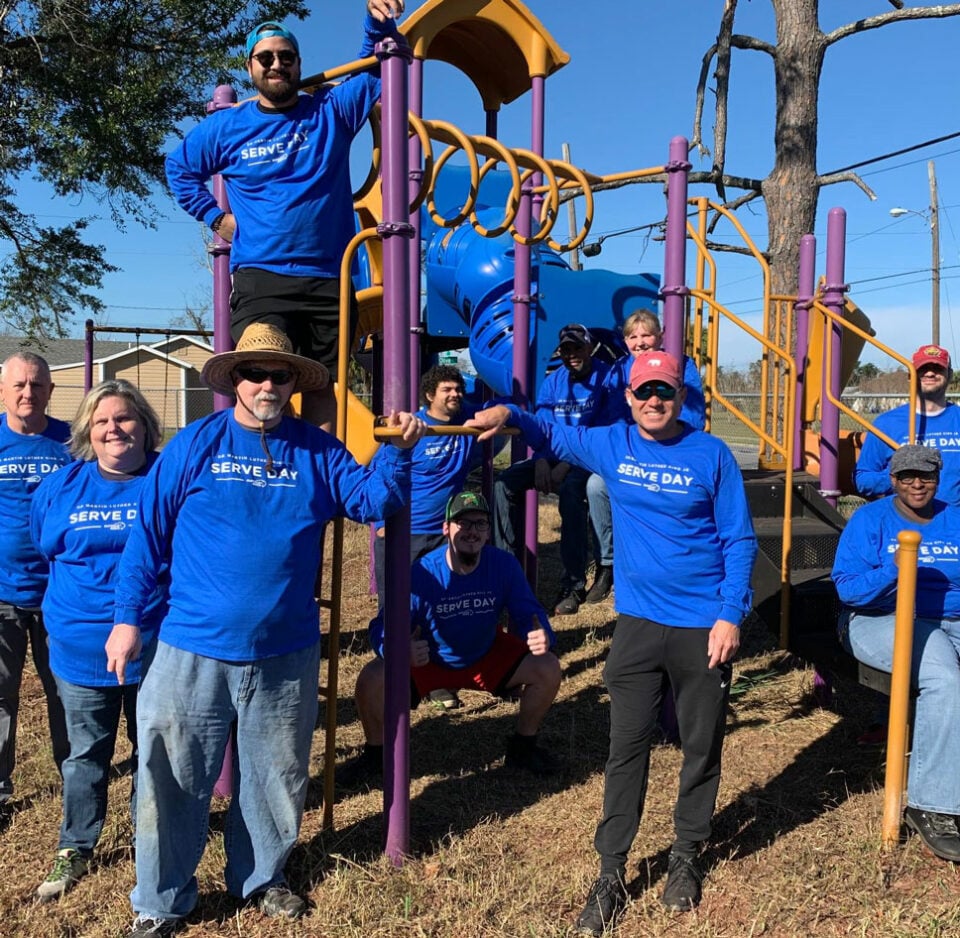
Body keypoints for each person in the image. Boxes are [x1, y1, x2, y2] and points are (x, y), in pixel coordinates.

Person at [107, 324, 425, 937]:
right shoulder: (195, 443)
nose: (267, 385)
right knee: (171, 776)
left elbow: (369, 502)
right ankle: (160, 901)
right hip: (190, 646)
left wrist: (395, 448)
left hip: (286, 650)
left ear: (292, 385)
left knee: (277, 774)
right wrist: (126, 621)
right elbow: (146, 537)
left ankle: (260, 880)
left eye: (279, 375)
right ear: (234, 382)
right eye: (255, 374)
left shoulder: (319, 449)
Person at [467, 350, 757, 930]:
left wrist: (730, 614)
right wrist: (509, 411)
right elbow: (548, 428)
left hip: (703, 625)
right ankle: (611, 872)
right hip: (639, 624)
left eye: (665, 392)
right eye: (644, 391)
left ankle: (685, 856)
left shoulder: (711, 453)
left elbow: (740, 540)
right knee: (626, 749)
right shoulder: (613, 444)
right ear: (628, 396)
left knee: (700, 747)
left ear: (681, 398)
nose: (654, 401)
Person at [165, 0, 405, 432]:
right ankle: (263, 482)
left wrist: (377, 21)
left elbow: (376, 69)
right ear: (250, 66)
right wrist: (215, 217)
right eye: (266, 57)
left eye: (286, 57)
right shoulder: (228, 127)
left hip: (329, 277)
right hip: (263, 277)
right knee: (263, 384)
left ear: (297, 63)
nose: (276, 64)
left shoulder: (329, 110)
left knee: (322, 387)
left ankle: (315, 488)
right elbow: (178, 168)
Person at [30, 381, 166, 901]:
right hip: (79, 647)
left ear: (145, 426)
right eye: (102, 420)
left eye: (125, 418)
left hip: (155, 645)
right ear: (88, 429)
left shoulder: (164, 479)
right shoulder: (61, 488)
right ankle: (75, 847)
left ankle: (147, 843)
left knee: (153, 751)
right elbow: (47, 549)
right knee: (86, 753)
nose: (114, 429)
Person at [348, 491, 561, 784]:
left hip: (485, 655)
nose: (472, 531)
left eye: (480, 524)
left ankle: (523, 746)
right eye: (463, 522)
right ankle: (375, 754)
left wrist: (540, 634)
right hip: (430, 661)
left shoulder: (504, 565)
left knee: (548, 667)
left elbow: (529, 613)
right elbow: (382, 625)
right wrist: (400, 649)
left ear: (488, 532)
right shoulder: (421, 573)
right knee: (371, 677)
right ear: (446, 528)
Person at [833, 444, 960, 862]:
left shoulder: (954, 516)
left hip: (951, 618)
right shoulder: (871, 520)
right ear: (893, 480)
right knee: (944, 680)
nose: (917, 483)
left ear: (938, 478)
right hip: (882, 617)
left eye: (925, 475)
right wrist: (900, 566)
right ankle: (933, 805)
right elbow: (849, 588)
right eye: (907, 476)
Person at [586, 309, 708, 605]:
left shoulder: (681, 366)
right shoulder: (618, 370)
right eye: (632, 336)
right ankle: (607, 563)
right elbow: (609, 417)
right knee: (596, 486)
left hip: (669, 448)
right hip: (629, 450)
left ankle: (673, 562)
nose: (640, 342)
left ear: (661, 335)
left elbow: (691, 413)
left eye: (646, 335)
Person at [494, 323, 610, 616]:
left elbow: (600, 437)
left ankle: (572, 585)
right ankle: (507, 572)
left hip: (587, 458)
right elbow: (543, 425)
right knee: (504, 483)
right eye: (566, 349)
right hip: (553, 455)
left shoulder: (605, 378)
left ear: (590, 347)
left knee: (572, 492)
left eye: (577, 348)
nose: (571, 354)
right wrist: (543, 460)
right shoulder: (555, 381)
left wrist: (566, 466)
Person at [0, 352, 71, 825]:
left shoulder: (71, 442)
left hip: (61, 596)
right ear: (4, 390)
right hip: (2, 593)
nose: (29, 392)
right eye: (20, 384)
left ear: (50, 391)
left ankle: (77, 780)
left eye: (38, 385)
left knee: (65, 692)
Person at [855, 344, 960, 504]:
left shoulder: (957, 418)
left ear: (950, 375)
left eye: (937, 368)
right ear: (910, 376)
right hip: (904, 523)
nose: (930, 373)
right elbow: (863, 480)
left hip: (953, 524)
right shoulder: (886, 424)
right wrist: (902, 473)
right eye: (923, 369)